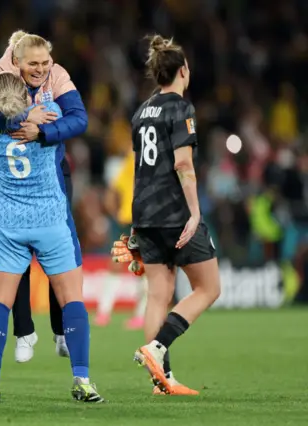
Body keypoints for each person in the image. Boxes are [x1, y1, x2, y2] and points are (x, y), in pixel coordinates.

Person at [0, 72, 104, 403]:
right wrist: (34, 111)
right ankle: (83, 380)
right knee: (72, 299)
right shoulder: (50, 115)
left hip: (9, 225)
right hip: (50, 222)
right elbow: (76, 119)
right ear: (28, 96)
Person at [114, 34, 221, 396]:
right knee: (209, 287)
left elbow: (139, 168)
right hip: (174, 212)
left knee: (158, 293)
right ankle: (157, 349)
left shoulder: (139, 112)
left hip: (144, 211)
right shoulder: (181, 108)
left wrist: (134, 226)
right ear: (183, 71)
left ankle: (161, 381)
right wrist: (194, 212)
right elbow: (182, 162)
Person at [0, 30, 88, 363]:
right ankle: (24, 331)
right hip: (11, 177)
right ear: (16, 61)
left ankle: (60, 330)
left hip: (50, 168)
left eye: (45, 62)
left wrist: (43, 132)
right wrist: (26, 116)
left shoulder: (58, 74)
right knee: (17, 255)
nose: (41, 69)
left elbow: (80, 119)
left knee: (58, 251)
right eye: (33, 64)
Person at [96, 149, 148, 329]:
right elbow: (114, 190)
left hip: (140, 221)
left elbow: (112, 191)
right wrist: (115, 213)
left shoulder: (135, 158)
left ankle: (139, 315)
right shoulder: (134, 158)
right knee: (122, 265)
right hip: (130, 220)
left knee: (141, 267)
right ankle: (104, 312)